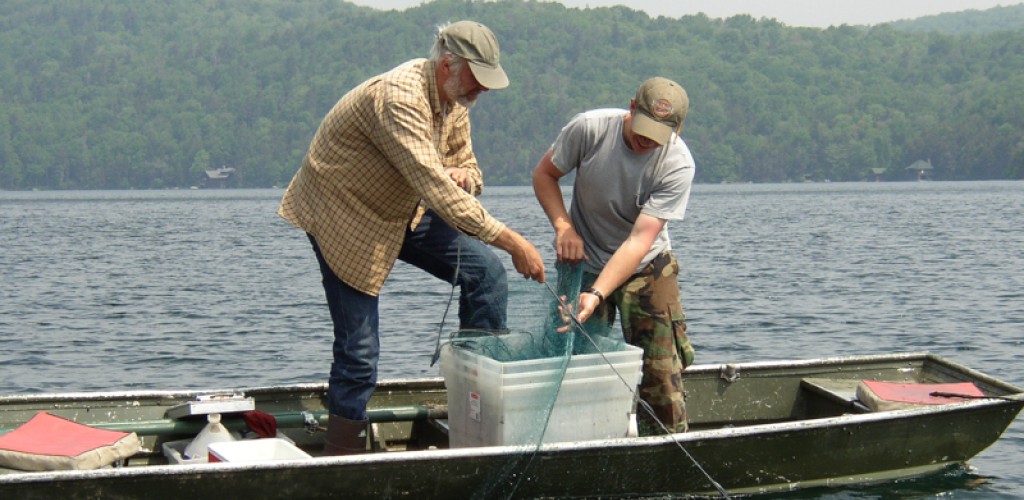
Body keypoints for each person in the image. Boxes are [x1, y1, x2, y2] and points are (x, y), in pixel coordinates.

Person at [278, 20, 546, 455]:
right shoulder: (398, 97)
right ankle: (341, 455)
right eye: (477, 82)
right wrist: (514, 241)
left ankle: (476, 401)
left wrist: (467, 177)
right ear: (446, 66)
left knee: (487, 275)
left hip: (406, 209)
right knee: (360, 351)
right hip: (346, 214)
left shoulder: (456, 101)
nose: (482, 93)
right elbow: (435, 188)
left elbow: (468, 172)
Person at [532, 77, 696, 434]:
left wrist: (596, 295)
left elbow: (639, 240)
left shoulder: (678, 164)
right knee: (572, 364)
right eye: (643, 127)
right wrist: (564, 227)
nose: (646, 140)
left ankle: (667, 449)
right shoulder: (589, 129)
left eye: (657, 135)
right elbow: (545, 174)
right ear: (632, 107)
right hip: (584, 261)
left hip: (647, 266)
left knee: (660, 374)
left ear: (678, 129)